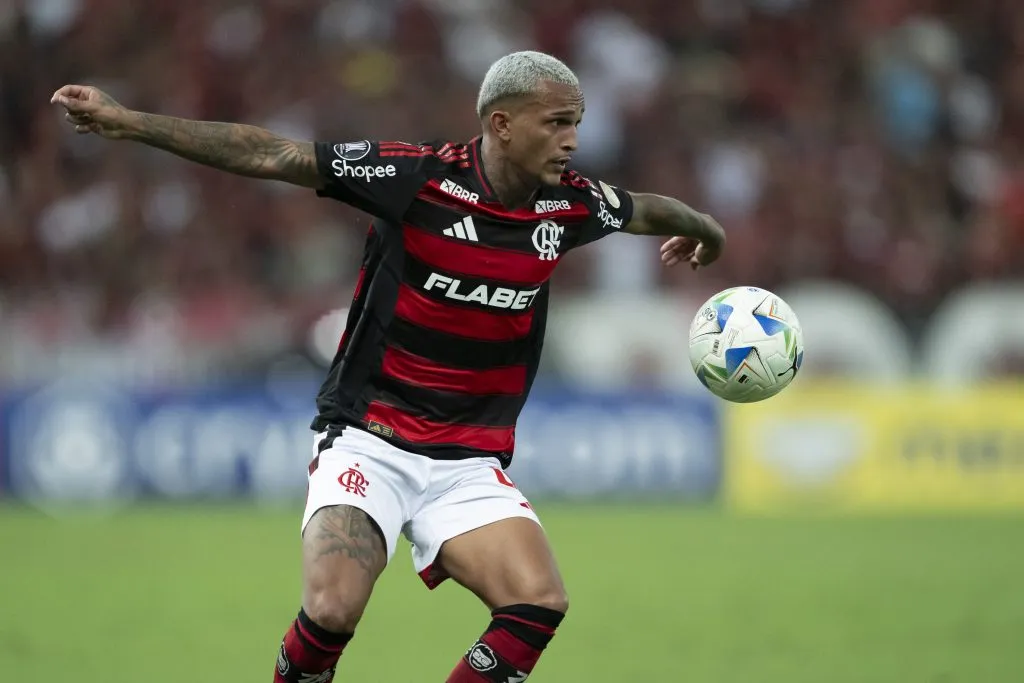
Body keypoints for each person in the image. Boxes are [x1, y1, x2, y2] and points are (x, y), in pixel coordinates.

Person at [51, 50, 725, 682]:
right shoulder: (418, 178)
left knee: (538, 602)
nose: (572, 140)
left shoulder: (569, 204)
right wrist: (129, 122)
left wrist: (705, 229)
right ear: (502, 124)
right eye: (556, 123)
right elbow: (274, 153)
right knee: (332, 610)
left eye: (575, 123)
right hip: (370, 439)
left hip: (467, 462)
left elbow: (647, 209)